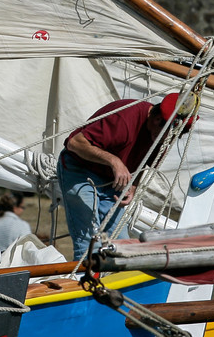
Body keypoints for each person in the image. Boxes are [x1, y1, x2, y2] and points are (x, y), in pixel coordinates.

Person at [58, 92, 195, 262]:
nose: (170, 140)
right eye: (170, 134)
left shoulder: (161, 138)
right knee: (89, 241)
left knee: (121, 243)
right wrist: (114, 161)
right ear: (157, 119)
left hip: (111, 183)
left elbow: (144, 163)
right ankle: (86, 276)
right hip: (80, 170)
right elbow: (74, 143)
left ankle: (113, 278)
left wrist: (134, 186)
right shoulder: (124, 119)